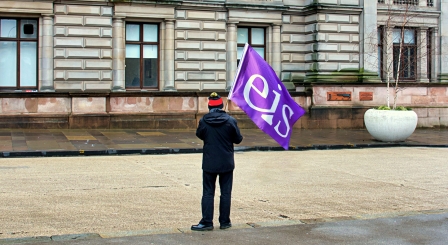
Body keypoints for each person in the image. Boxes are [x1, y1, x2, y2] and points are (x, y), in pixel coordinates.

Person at [191, 92, 243, 231]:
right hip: (226, 161)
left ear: (209, 106)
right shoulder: (230, 121)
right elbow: (238, 139)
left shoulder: (203, 121)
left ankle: (207, 222)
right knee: (225, 193)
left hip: (209, 162)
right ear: (221, 105)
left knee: (208, 192)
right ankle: (225, 222)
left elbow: (199, 135)